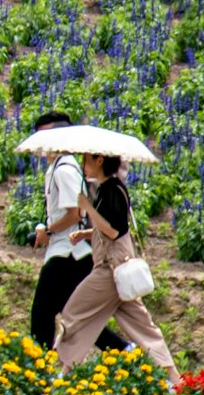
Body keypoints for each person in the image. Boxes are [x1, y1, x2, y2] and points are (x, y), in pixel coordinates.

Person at [50, 151, 173, 369]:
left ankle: (63, 368)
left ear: (100, 161)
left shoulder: (113, 190)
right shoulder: (108, 188)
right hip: (118, 270)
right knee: (143, 327)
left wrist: (87, 207)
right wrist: (85, 234)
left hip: (110, 270)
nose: (83, 165)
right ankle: (172, 378)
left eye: (87, 160)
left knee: (72, 313)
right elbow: (108, 228)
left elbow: (114, 231)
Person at [26, 121, 95, 349]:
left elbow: (74, 214)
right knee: (76, 318)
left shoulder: (64, 170)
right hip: (73, 254)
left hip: (66, 255)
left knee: (41, 315)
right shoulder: (63, 167)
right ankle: (125, 350)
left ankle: (39, 371)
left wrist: (47, 231)